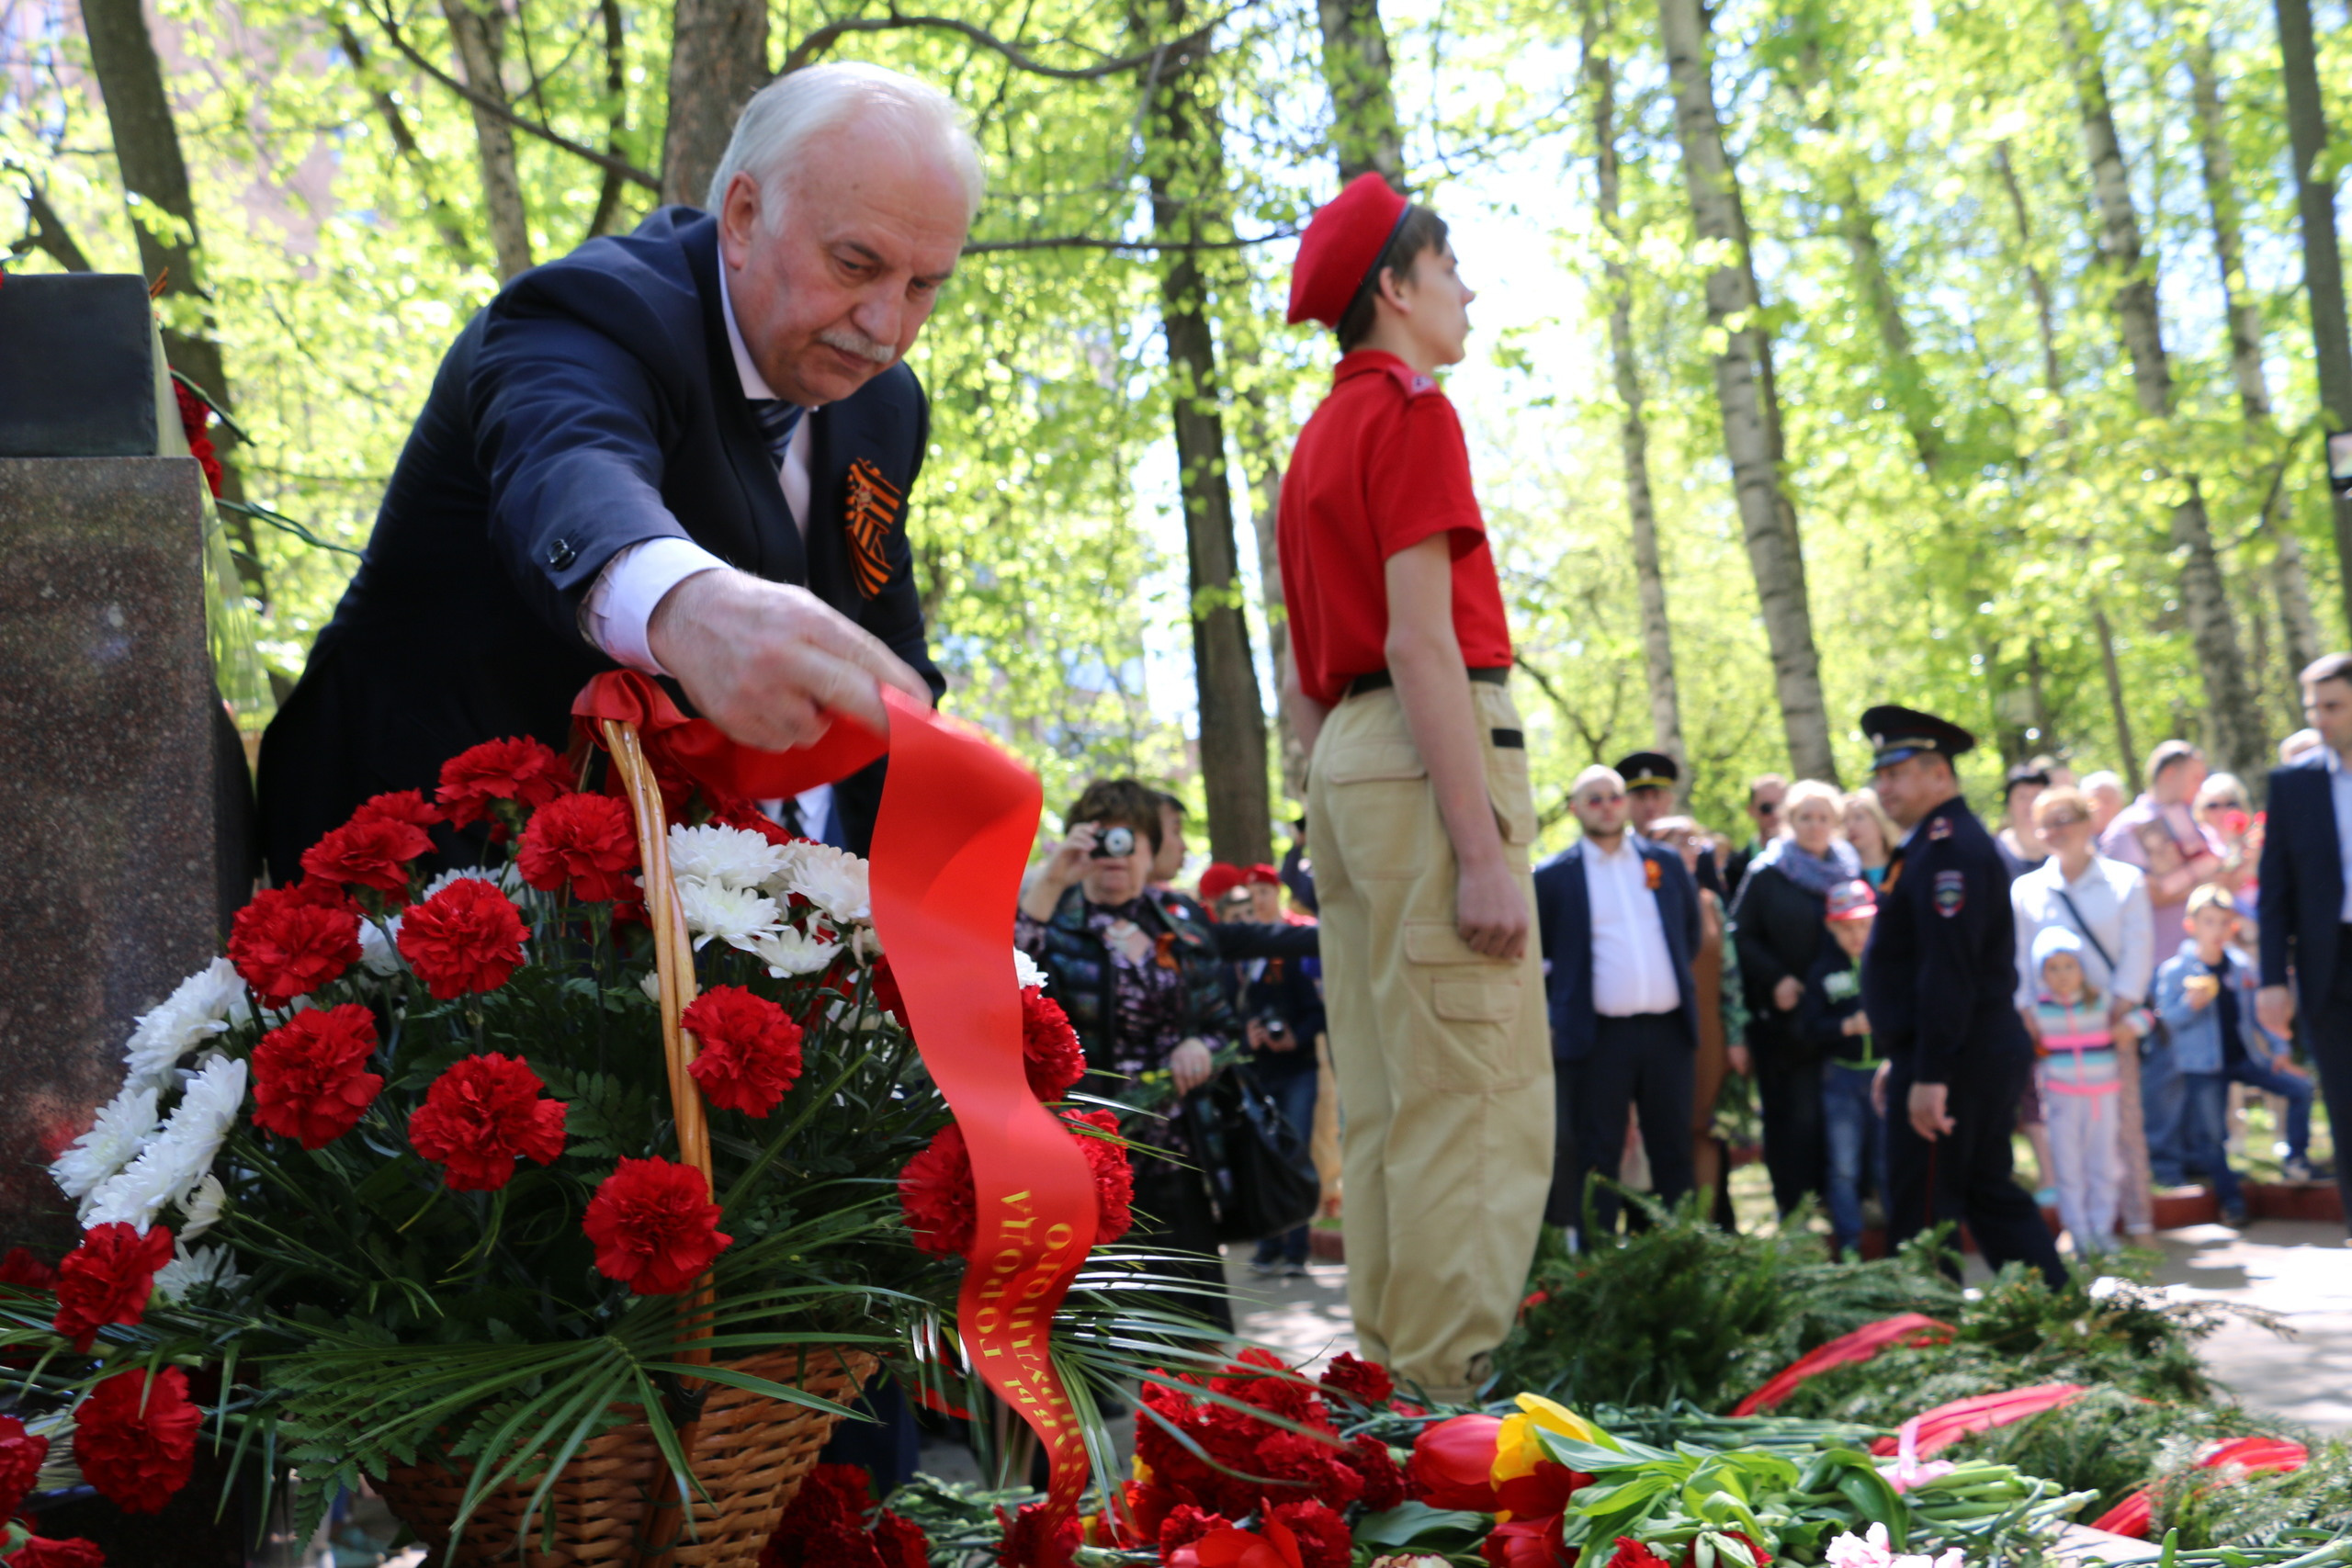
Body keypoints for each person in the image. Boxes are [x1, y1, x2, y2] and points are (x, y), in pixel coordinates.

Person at [258, 64, 976, 873]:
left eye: (924, 286)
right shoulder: (590, 311)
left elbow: (887, 670)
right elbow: (572, 466)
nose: (886, 325)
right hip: (405, 856)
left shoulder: (885, 405)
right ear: (743, 215)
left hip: (655, 885)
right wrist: (686, 604)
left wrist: (929, 898)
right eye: (855, 264)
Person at [1275, 173, 1550, 1401]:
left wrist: (1333, 796)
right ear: (1394, 285)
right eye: (1451, 269)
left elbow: (1302, 674)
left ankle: (1385, 1391)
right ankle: (1448, 1399)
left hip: (1347, 757)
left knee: (1390, 1092)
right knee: (1474, 1089)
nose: (1469, 288)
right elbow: (1423, 639)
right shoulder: (1412, 411)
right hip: (1424, 741)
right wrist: (1480, 848)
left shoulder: (1318, 438)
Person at [1018, 778, 1240, 1330]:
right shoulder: (1053, 918)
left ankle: (1192, 1407)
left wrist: (1200, 1044)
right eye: (1104, 840)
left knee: (1194, 1321)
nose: (1117, 856)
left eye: (1131, 840)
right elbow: (1009, 989)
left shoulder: (1180, 924)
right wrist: (1051, 881)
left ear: (1149, 850)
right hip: (1085, 1152)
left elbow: (1223, 1023)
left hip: (1173, 1148)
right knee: (1094, 1322)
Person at [1858, 705, 2065, 1287]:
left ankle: (1930, 1338)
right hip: (1956, 1051)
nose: (1883, 787)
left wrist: (1928, 1074)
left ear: (1938, 775)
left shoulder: (1949, 850)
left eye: (1896, 773)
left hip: (1957, 1054)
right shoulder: (1930, 843)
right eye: (1880, 774)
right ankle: (2056, 1317)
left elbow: (1948, 973)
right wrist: (1907, 1059)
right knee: (1985, 1192)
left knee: (1924, 1210)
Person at [1532, 766, 1702, 1236]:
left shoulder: (1663, 864)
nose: (1606, 806)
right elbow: (1541, 957)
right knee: (1598, 1152)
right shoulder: (1552, 877)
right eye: (1594, 799)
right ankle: (1599, 1265)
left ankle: (1681, 1255)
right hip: (1598, 1037)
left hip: (1668, 1031)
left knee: (1672, 1149)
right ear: (1575, 809)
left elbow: (1687, 934)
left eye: (1613, 796)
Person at [2010, 785, 2158, 1237]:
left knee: (2123, 1126)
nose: (2056, 831)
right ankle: (2084, 1231)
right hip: (2056, 1032)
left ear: (2087, 821)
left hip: (2110, 1023)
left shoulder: (2124, 880)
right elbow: (2019, 956)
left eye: (2065, 819)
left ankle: (2137, 1221)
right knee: (2066, 1134)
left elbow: (2139, 946)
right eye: (2047, 823)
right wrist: (2027, 1010)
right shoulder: (2027, 888)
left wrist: (2120, 1007)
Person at [1728, 778, 1855, 1220]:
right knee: (1794, 1120)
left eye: (1824, 817)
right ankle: (1796, 1213)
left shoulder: (1848, 872)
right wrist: (1777, 978)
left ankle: (1843, 1210)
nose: (1815, 825)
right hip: (1785, 1024)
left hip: (1839, 1021)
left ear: (1836, 822)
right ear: (1788, 821)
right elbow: (1739, 936)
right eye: (1805, 817)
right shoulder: (1768, 872)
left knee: (1838, 1119)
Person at [2258, 653, 2352, 1235]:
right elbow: (2275, 892)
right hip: (2330, 967)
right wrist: (2272, 980)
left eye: (2333, 706)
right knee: (2344, 1104)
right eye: (2314, 708)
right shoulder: (2293, 786)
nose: (2321, 719)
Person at [2156, 886, 2298, 1228]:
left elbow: (2257, 1017)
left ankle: (2298, 1162)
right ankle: (2231, 1201)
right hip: (2203, 1067)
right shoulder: (2176, 971)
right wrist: (2191, 1005)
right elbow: (2167, 1019)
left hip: (2243, 1058)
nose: (2217, 930)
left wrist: (2279, 1049)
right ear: (2191, 925)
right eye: (2209, 922)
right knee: (2212, 1136)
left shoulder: (2240, 966)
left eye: (2223, 922)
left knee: (2299, 1090)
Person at [1648, 813, 1736, 1216]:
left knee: (1706, 1130)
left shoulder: (1709, 902)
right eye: (1673, 840)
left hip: (1709, 1035)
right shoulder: (1639, 900)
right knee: (1663, 1132)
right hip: (1655, 1033)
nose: (1686, 849)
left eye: (1691, 841)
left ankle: (1704, 1231)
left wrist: (1737, 1037)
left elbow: (1731, 978)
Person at [2027, 925, 2128, 1255]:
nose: (2062, 975)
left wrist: (2129, 1027)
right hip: (2061, 1097)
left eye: (2069, 965)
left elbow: (2145, 1016)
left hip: (2103, 1096)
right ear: (2042, 973)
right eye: (2052, 968)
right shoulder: (2038, 1011)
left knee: (2104, 1165)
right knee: (2067, 1168)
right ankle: (2078, 1231)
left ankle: (2102, 1229)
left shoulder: (2100, 1002)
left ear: (2081, 968)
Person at [1799, 879, 1883, 1258]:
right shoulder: (1821, 972)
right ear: (1831, 927)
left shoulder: (1887, 967)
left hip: (1884, 1076)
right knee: (1843, 1167)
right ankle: (1849, 1244)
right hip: (1841, 1077)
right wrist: (1845, 1027)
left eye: (1863, 926)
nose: (1856, 935)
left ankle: (1906, 1245)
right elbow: (1808, 1028)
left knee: (1887, 1162)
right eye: (1847, 927)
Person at [1620, 750, 1724, 897]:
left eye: (1657, 795)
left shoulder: (1698, 852)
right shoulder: (1616, 852)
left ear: (1670, 798)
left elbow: (1718, 907)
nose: (1650, 805)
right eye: (1640, 796)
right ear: (1625, 802)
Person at [1724, 774, 1787, 897]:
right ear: (1751, 810)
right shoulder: (1734, 867)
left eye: (1782, 806)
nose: (1776, 814)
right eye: (1766, 808)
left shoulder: (1817, 857)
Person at [1996, 765, 2052, 879]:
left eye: (2037, 796)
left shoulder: (2064, 849)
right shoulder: (1994, 852)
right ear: (2009, 805)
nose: (2030, 805)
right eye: (2022, 797)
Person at [1844, 789, 1899, 889]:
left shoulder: (1903, 864)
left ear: (1879, 819)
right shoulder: (1843, 872)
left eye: (1858, 817)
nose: (1850, 826)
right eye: (1845, 820)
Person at [2081, 771, 2128, 839]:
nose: (2100, 808)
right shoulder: (2075, 842)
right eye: (2092, 802)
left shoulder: (2134, 836)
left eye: (2107, 801)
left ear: (2120, 803)